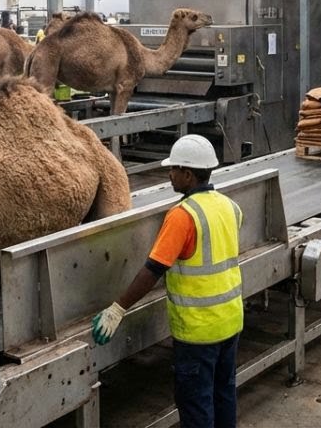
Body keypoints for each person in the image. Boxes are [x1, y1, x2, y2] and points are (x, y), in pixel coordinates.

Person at [92, 134, 242, 428]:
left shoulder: (182, 216)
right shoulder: (229, 205)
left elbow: (153, 270)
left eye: (173, 169)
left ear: (188, 174)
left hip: (199, 332)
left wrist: (117, 308)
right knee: (224, 393)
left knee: (196, 404)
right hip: (231, 322)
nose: (169, 174)